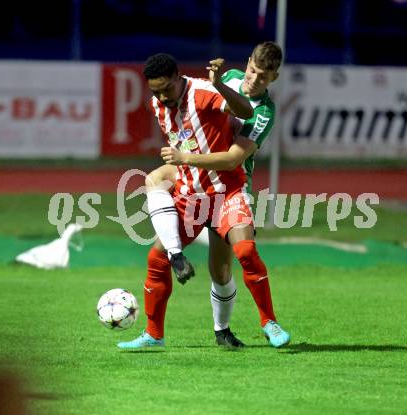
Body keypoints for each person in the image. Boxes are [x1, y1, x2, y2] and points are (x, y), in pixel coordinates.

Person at [118, 48, 289, 351]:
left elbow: (233, 156)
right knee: (156, 253)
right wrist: (181, 164)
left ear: (273, 78)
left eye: (263, 77)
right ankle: (154, 334)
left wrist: (185, 156)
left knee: (241, 255)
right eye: (252, 70)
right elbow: (187, 138)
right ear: (246, 64)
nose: (253, 79)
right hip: (193, 192)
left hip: (229, 189)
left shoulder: (243, 104)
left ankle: (267, 322)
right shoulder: (168, 100)